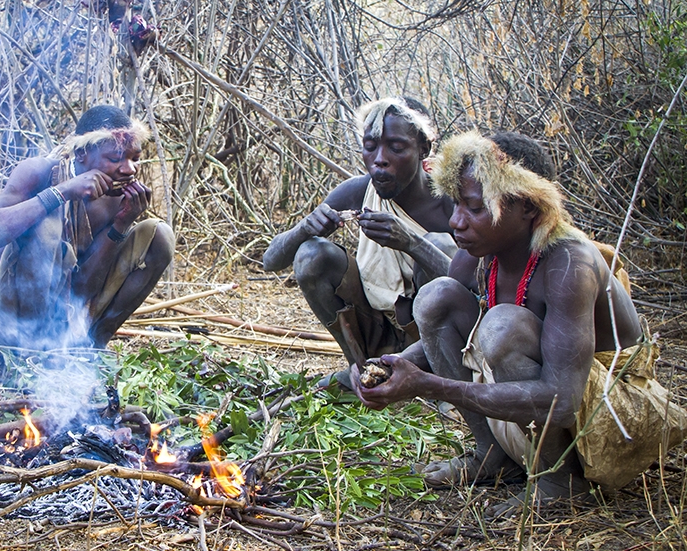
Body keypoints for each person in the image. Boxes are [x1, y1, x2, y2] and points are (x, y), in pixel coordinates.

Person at [351, 130, 687, 516]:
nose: (457, 222)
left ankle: (560, 481)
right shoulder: (477, 255)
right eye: (455, 205)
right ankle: (492, 455)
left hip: (613, 417)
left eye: (475, 208)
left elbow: (562, 402)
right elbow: (437, 334)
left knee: (502, 327)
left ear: (527, 207)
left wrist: (428, 385)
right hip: (554, 402)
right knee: (436, 297)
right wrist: (391, 367)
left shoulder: (568, 263)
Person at [263, 97, 455, 388]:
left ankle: (432, 380)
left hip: (437, 349)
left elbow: (475, 292)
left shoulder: (452, 203)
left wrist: (412, 244)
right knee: (311, 253)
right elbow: (270, 261)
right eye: (370, 146)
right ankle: (363, 370)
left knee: (438, 244)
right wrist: (305, 228)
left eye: (396, 147)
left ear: (423, 149)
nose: (380, 158)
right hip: (379, 334)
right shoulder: (358, 191)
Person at [0, 105, 174, 350]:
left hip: (66, 324)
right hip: (7, 322)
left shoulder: (117, 196)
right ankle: (27, 354)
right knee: (46, 228)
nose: (129, 169)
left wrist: (121, 224)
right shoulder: (40, 172)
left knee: (160, 235)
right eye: (115, 158)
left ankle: (91, 349)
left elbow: (82, 288)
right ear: (82, 154)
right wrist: (60, 193)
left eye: (135, 159)